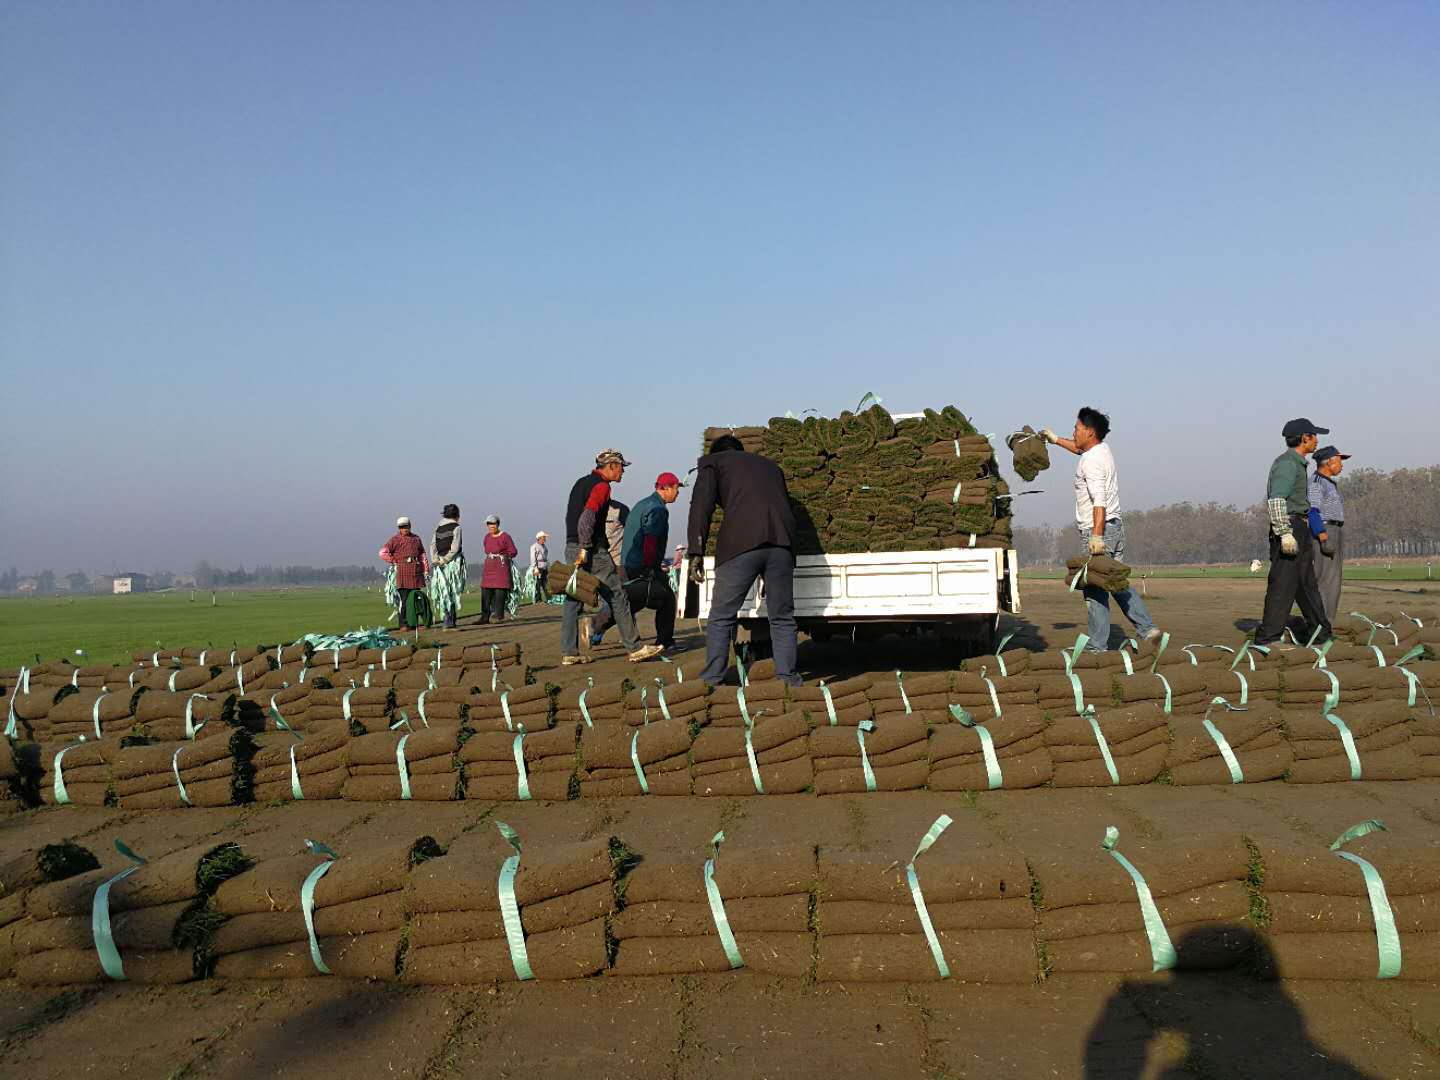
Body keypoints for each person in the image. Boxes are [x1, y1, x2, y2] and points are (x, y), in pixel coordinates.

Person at [1042, 408, 1161, 651]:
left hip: (1099, 530)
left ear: (1089, 431)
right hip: (1115, 527)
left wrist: (1096, 536)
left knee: (1094, 588)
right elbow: (1078, 448)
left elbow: (1099, 500)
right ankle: (1148, 629)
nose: (1073, 432)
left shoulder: (1092, 461)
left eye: (1076, 428)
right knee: (1116, 582)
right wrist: (1055, 441)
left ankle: (1097, 645)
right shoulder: (1101, 450)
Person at [688, 434, 802, 686]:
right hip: (782, 543)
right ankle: (788, 679)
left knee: (721, 616)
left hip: (741, 543)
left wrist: (696, 551)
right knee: (782, 616)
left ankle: (712, 680)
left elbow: (701, 507)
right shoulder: (771, 466)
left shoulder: (713, 462)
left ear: (718, 452)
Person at [560, 449, 664, 665]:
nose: (623, 472)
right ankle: (634, 648)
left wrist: (577, 548)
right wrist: (586, 547)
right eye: (621, 467)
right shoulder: (602, 486)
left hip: (571, 545)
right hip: (591, 550)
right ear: (611, 466)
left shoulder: (580, 483)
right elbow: (587, 518)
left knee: (573, 599)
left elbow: (574, 516)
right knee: (617, 595)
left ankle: (570, 652)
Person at [1255, 419, 1332, 646]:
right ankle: (1268, 638)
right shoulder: (1287, 464)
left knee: (1306, 584)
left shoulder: (1298, 463)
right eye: (1314, 436)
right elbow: (1277, 498)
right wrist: (1284, 532)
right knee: (1282, 584)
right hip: (1288, 527)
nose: (1317, 440)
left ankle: (1320, 633)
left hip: (1299, 526)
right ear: (1303, 438)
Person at [618, 472, 685, 652]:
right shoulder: (657, 508)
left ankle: (595, 627)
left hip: (628, 563)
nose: (678, 493)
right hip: (642, 564)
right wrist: (650, 567)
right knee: (667, 600)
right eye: (676, 489)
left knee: (629, 601)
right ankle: (665, 642)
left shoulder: (642, 504)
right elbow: (650, 539)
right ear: (665, 488)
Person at [1307, 444, 1351, 626]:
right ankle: (1321, 624)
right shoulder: (1317, 482)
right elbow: (1312, 511)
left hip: (1335, 530)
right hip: (1325, 531)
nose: (1342, 465)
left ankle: (1327, 622)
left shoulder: (1328, 483)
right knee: (1325, 580)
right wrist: (1323, 537)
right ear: (1328, 462)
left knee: (1333, 580)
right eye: (1339, 461)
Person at [582, 500, 629, 651]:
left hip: (613, 561)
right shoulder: (589, 511)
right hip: (610, 563)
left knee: (616, 601)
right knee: (621, 601)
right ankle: (595, 625)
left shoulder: (620, 509)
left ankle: (597, 635)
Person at [380, 516, 430, 630]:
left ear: (410, 526)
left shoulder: (416, 539)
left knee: (416, 599)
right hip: (402, 573)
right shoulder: (394, 540)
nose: (404, 529)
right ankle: (403, 624)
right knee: (404, 600)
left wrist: (426, 570)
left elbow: (422, 555)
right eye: (402, 527)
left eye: (406, 526)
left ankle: (414, 623)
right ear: (399, 528)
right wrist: (394, 561)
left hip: (416, 572)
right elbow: (383, 552)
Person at [428, 504, 465, 630]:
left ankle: (448, 621)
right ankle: (449, 622)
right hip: (452, 563)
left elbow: (432, 545)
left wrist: (435, 560)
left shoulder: (438, 528)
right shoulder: (457, 527)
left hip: (440, 564)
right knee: (452, 591)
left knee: (443, 592)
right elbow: (455, 549)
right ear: (457, 515)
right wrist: (445, 560)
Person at [478, 514, 518, 624]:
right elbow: (486, 548)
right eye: (489, 524)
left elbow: (513, 551)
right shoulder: (487, 537)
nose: (491, 526)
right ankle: (484, 616)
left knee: (500, 591)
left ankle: (498, 615)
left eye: (493, 524)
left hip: (501, 567)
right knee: (485, 591)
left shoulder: (505, 536)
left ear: (497, 524)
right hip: (489, 566)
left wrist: (504, 556)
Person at [529, 531, 550, 603]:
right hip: (538, 567)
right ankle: (538, 599)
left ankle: (548, 598)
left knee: (545, 583)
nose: (545, 539)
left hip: (544, 566)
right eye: (543, 538)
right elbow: (533, 558)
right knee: (538, 583)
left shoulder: (544, 547)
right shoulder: (534, 546)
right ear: (539, 538)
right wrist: (535, 568)